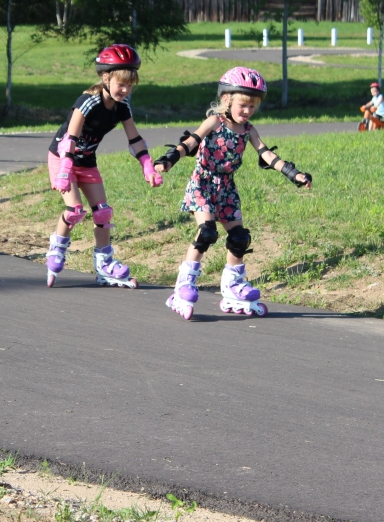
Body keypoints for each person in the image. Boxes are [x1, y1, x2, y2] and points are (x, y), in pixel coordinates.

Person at [153, 67, 312, 320]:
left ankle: (233, 285)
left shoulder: (248, 130)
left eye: (253, 106)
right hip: (203, 184)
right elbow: (191, 142)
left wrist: (294, 174)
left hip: (227, 188)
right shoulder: (215, 121)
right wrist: (168, 160)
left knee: (239, 238)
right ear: (226, 99)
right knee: (207, 233)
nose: (247, 111)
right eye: (243, 105)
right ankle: (184, 284)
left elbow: (266, 154)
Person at [45, 44, 163, 288]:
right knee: (75, 211)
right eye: (121, 84)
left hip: (86, 161)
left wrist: (147, 166)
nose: (125, 90)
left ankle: (104, 263)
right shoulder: (87, 102)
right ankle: (57, 248)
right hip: (62, 157)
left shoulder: (122, 106)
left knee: (103, 212)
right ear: (105, 77)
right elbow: (70, 138)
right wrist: (65, 170)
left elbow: (135, 139)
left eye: (130, 85)